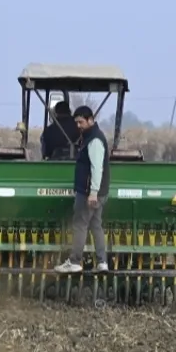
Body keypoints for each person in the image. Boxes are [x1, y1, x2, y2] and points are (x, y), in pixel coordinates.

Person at [55, 105, 110, 273]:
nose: (78, 126)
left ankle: (75, 261)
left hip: (89, 193)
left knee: (80, 224)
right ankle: (102, 262)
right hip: (96, 192)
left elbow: (96, 168)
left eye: (81, 122)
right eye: (76, 122)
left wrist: (92, 193)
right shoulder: (90, 137)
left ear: (90, 120)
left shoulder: (94, 140)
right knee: (96, 225)